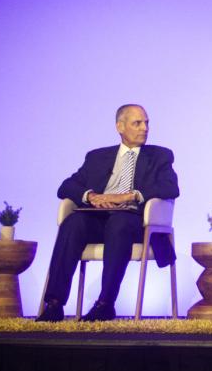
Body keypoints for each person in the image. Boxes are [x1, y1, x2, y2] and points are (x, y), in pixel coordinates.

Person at [37, 104, 179, 322]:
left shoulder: (159, 156)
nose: (145, 128)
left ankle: (105, 303)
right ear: (120, 127)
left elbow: (170, 188)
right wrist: (91, 196)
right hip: (97, 218)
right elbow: (66, 186)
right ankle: (54, 304)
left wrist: (129, 196)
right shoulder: (97, 157)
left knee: (119, 222)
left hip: (134, 221)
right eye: (137, 123)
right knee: (73, 222)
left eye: (146, 123)